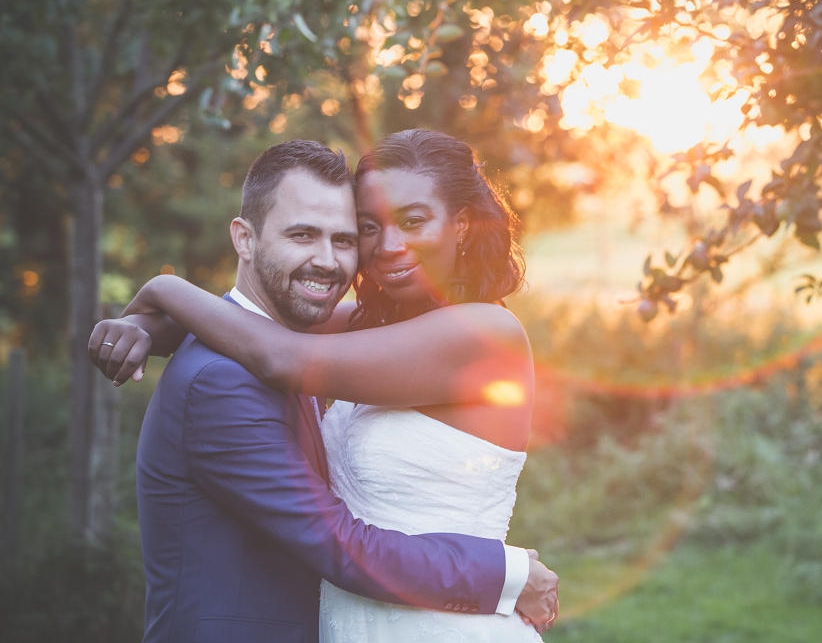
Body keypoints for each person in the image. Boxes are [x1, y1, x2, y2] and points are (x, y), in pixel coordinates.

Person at [91, 136, 557, 643]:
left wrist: (165, 289)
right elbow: (264, 330)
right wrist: (150, 329)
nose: (389, 246)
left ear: (462, 224)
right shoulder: (369, 328)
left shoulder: (484, 334)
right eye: (370, 228)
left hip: (442, 623)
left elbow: (276, 352)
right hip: (363, 618)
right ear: (245, 238)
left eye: (413, 220)